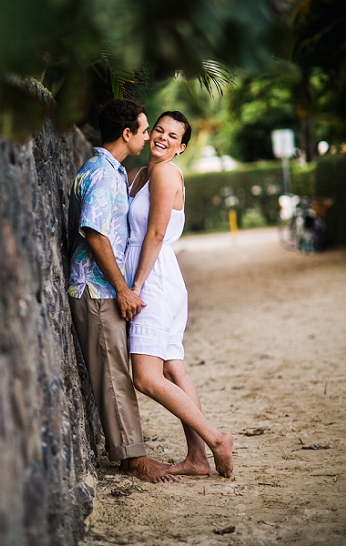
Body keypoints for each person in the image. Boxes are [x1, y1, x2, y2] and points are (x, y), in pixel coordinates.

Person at [67, 98, 175, 483]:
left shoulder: (112, 171)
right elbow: (95, 234)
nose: (149, 137)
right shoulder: (101, 173)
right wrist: (122, 289)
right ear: (127, 133)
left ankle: (132, 451)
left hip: (101, 289)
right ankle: (132, 458)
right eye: (145, 130)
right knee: (114, 375)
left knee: (116, 371)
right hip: (95, 290)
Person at [124, 111, 234, 478]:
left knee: (146, 377)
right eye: (159, 129)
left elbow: (154, 234)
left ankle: (216, 439)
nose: (162, 138)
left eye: (173, 136)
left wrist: (135, 287)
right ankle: (198, 458)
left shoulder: (166, 172)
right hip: (162, 279)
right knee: (174, 368)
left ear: (181, 147)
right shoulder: (139, 174)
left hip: (153, 281)